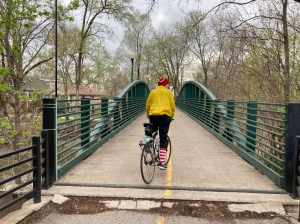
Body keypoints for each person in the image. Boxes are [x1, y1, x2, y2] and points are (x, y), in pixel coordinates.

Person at [146, 76, 175, 170]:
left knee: (152, 131)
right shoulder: (168, 92)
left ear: (158, 84)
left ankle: (148, 142)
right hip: (165, 116)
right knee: (163, 138)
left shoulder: (153, 92)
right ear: (166, 84)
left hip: (153, 116)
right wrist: (171, 116)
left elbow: (148, 105)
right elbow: (172, 106)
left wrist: (148, 115)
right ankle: (162, 163)